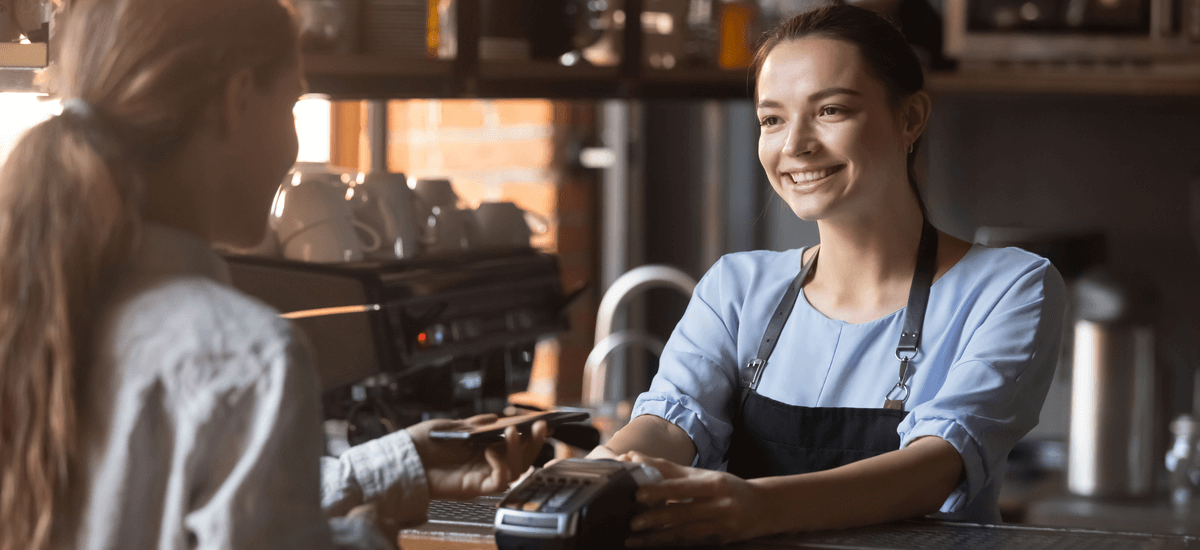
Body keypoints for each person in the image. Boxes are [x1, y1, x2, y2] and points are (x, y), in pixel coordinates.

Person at [0, 1, 546, 550]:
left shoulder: (28, 303)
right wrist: (363, 539)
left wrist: (397, 466)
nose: (293, 145)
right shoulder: (250, 355)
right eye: (290, 104)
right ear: (236, 102)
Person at [589, 3, 1066, 546]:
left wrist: (758, 506)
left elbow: (937, 466)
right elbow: (670, 423)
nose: (794, 145)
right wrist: (592, 478)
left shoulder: (1009, 287)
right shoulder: (736, 288)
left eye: (831, 110)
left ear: (910, 119)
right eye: (772, 119)